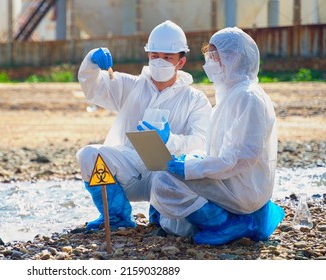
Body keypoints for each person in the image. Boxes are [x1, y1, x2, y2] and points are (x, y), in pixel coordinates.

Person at [149, 27, 285, 245]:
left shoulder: (247, 97)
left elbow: (241, 157)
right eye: (209, 56)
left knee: (164, 181)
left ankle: (226, 224)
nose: (209, 63)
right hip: (234, 179)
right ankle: (237, 220)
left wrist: (190, 168)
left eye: (214, 56)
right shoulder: (232, 94)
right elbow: (221, 150)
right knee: (174, 219)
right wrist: (191, 159)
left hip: (244, 187)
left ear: (234, 57)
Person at [76, 20, 212, 230]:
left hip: (169, 175)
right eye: (154, 56)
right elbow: (92, 87)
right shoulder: (130, 86)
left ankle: (160, 216)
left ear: (181, 62)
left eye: (167, 58)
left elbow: (202, 143)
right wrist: (91, 61)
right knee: (89, 155)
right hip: (130, 168)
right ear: (148, 55)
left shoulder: (195, 100)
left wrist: (170, 141)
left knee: (173, 223)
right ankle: (115, 217)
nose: (160, 62)